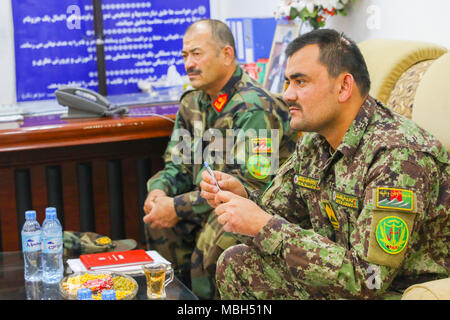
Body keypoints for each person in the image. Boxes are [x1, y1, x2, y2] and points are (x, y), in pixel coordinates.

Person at [200, 29, 450, 299]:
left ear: (343, 87)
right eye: (287, 83)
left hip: (391, 290)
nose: (287, 95)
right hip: (342, 277)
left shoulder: (398, 157)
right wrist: (244, 200)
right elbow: (279, 213)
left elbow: (369, 279)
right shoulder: (315, 142)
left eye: (300, 82)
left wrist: (263, 225)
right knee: (238, 262)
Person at [142, 19, 298, 299]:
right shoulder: (192, 103)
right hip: (207, 201)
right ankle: (176, 296)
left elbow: (249, 187)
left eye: (196, 54)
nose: (188, 63)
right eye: (185, 55)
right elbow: (178, 165)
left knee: (216, 230)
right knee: (156, 219)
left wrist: (176, 207)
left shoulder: (254, 107)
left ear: (226, 54)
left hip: (257, 209)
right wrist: (159, 191)